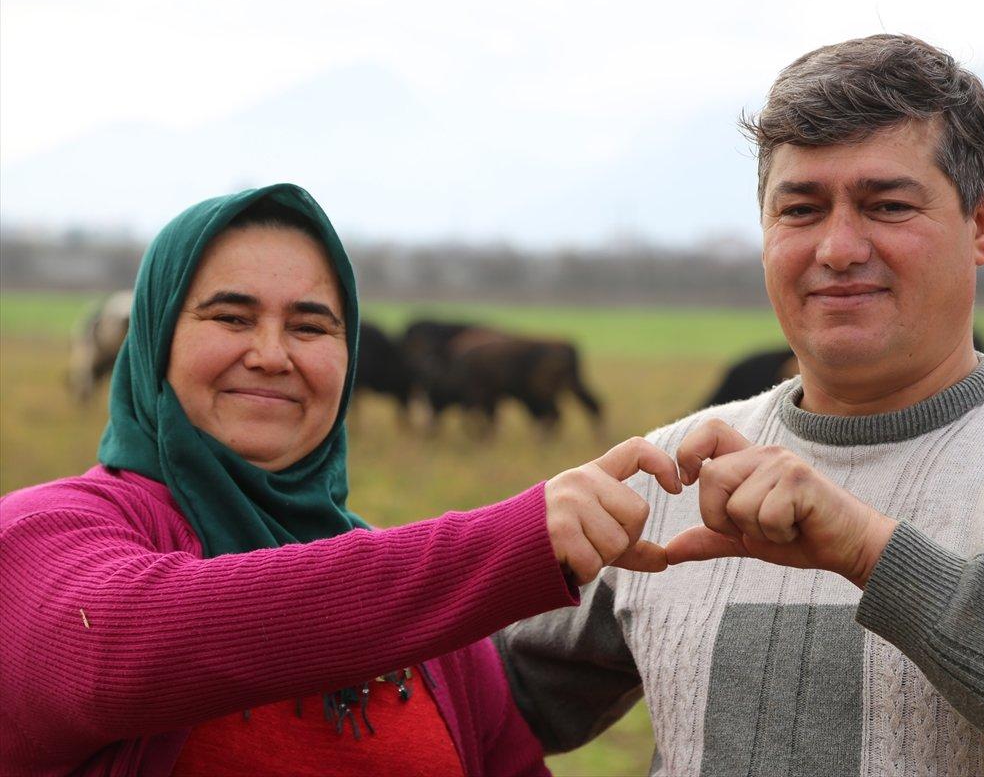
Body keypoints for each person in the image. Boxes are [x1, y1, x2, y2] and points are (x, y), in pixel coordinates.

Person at [497, 34, 984, 776]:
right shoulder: (673, 478)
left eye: (887, 205)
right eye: (800, 208)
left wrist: (874, 555)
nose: (837, 247)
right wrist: (496, 551)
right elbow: (464, 712)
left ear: (983, 224)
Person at [0, 183, 683, 776]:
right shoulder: (40, 536)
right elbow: (123, 650)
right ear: (154, 341)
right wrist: (514, 542)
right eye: (231, 317)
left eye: (311, 326)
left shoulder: (440, 637)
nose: (271, 355)